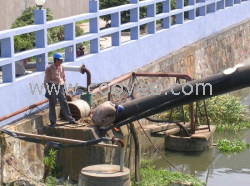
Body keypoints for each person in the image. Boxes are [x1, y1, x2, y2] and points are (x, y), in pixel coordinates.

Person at [44, 52, 78, 126]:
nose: (61, 62)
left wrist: (64, 87)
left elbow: (63, 77)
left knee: (64, 102)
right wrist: (47, 89)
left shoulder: (62, 67)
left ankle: (70, 119)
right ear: (56, 60)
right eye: (60, 60)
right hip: (52, 86)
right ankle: (53, 121)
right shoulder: (49, 68)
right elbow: (46, 80)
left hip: (60, 86)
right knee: (52, 103)